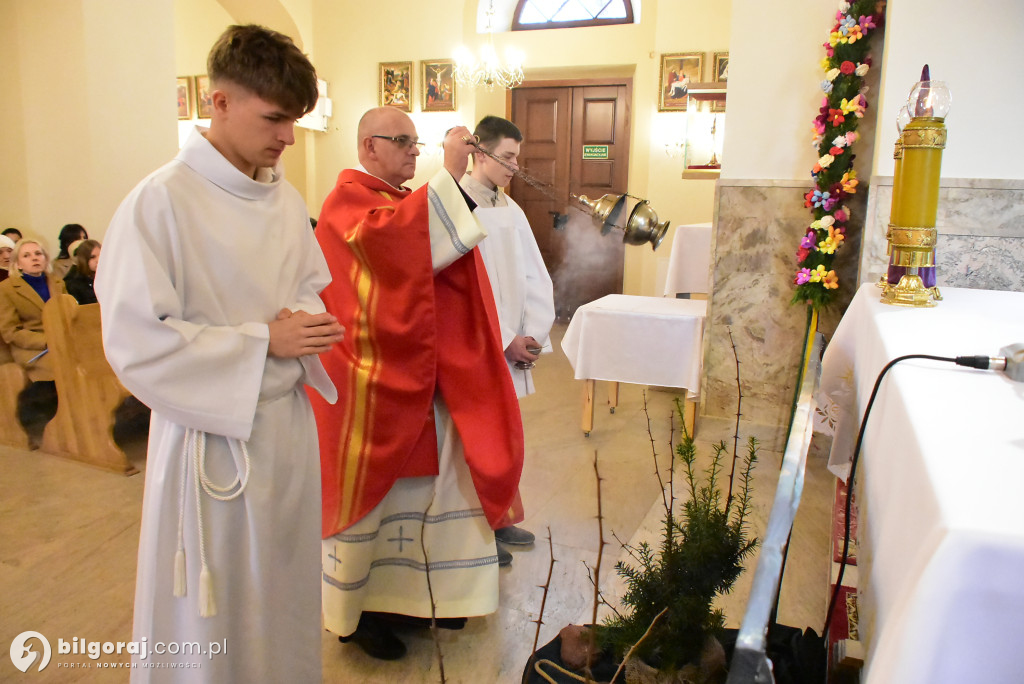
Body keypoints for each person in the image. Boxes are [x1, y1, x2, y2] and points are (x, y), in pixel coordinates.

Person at [94, 24, 343, 683]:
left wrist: (304, 320)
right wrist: (267, 341)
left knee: (282, 596)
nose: (289, 136)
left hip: (284, 436)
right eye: (276, 118)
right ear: (219, 101)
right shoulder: (160, 203)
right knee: (215, 613)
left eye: (294, 119)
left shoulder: (284, 200)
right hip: (210, 448)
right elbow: (135, 342)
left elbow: (310, 288)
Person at [310, 107, 524, 660]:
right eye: (399, 141)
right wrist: (450, 177)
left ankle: (411, 600)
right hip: (368, 383)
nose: (411, 150)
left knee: (424, 495)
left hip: (416, 372)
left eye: (415, 141)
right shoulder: (348, 201)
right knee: (378, 507)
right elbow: (396, 250)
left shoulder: (395, 199)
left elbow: (428, 253)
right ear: (367, 146)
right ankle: (355, 618)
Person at [459, 116, 556, 564]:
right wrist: (502, 339)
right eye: (509, 157)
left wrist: (533, 331)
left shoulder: (509, 207)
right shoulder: (458, 204)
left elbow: (533, 274)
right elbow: (467, 290)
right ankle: (474, 532)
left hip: (513, 343)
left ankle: (498, 518)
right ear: (480, 152)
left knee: (504, 440)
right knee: (473, 443)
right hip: (478, 350)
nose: (515, 167)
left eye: (518, 157)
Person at [0, 240, 67, 446]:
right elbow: (10, 331)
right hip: (30, 348)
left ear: (46, 258)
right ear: (17, 264)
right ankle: (68, 423)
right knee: (68, 366)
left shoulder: (57, 282)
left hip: (62, 342)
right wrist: (47, 341)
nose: (34, 258)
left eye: (38, 253)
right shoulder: (7, 288)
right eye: (26, 255)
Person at [63, 239, 101, 305]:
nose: (98, 260)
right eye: (92, 257)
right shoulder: (72, 282)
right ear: (83, 259)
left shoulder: (104, 277)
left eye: (101, 255)